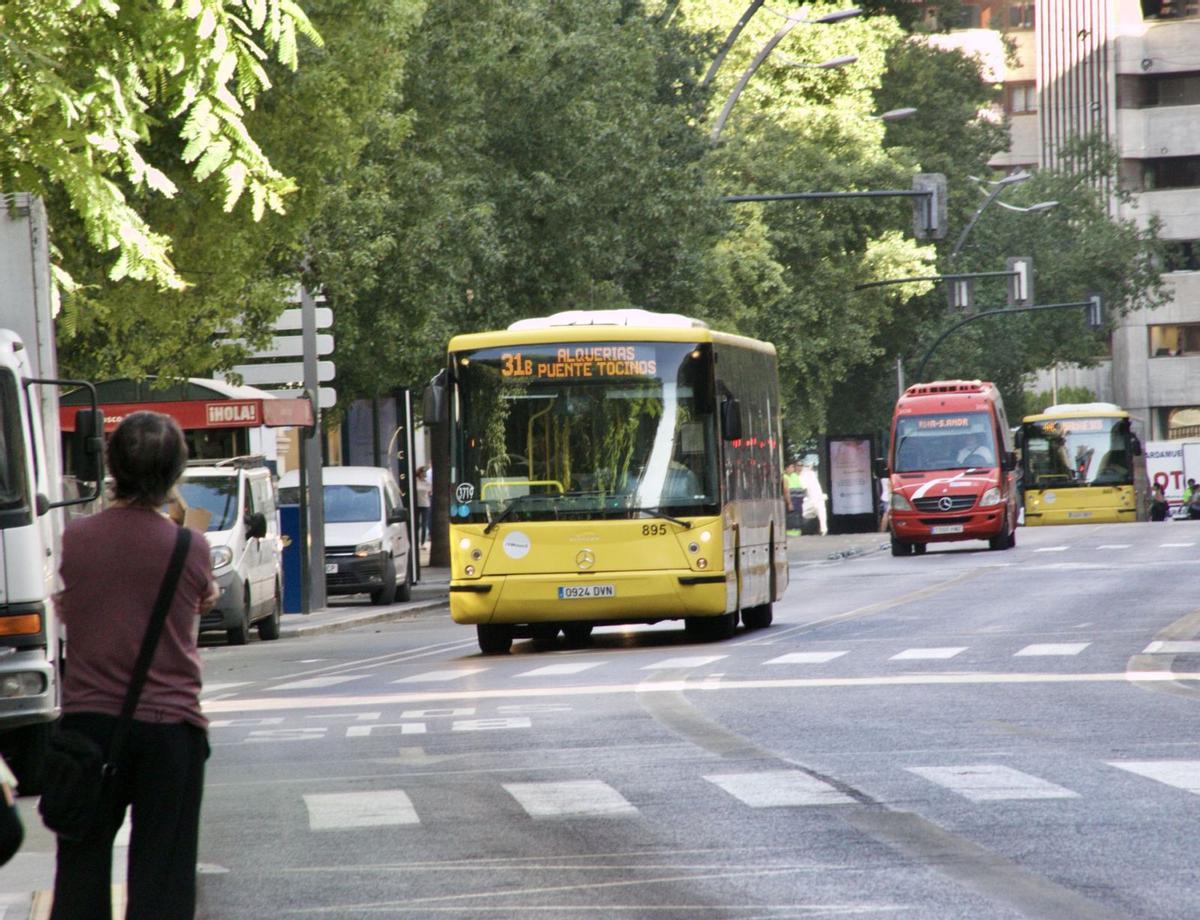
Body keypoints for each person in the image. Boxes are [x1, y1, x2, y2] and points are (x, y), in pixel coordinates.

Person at [50, 411, 216, 920]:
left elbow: (68, 606)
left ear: (111, 464)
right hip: (170, 730)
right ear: (174, 474)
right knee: (163, 877)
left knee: (80, 872)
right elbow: (200, 601)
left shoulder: (77, 538)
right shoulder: (190, 546)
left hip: (88, 728)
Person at [798, 460, 828, 536]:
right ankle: (823, 529)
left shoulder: (804, 475)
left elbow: (803, 487)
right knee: (820, 514)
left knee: (805, 514)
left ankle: (822, 529)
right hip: (816, 498)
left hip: (813, 499)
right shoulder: (810, 473)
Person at [414, 464, 432, 547]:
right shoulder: (415, 481)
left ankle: (422, 542)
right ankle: (415, 541)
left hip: (425, 504)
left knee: (424, 524)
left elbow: (430, 491)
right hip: (417, 504)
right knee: (417, 523)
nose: (424, 474)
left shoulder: (427, 482)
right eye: (423, 472)